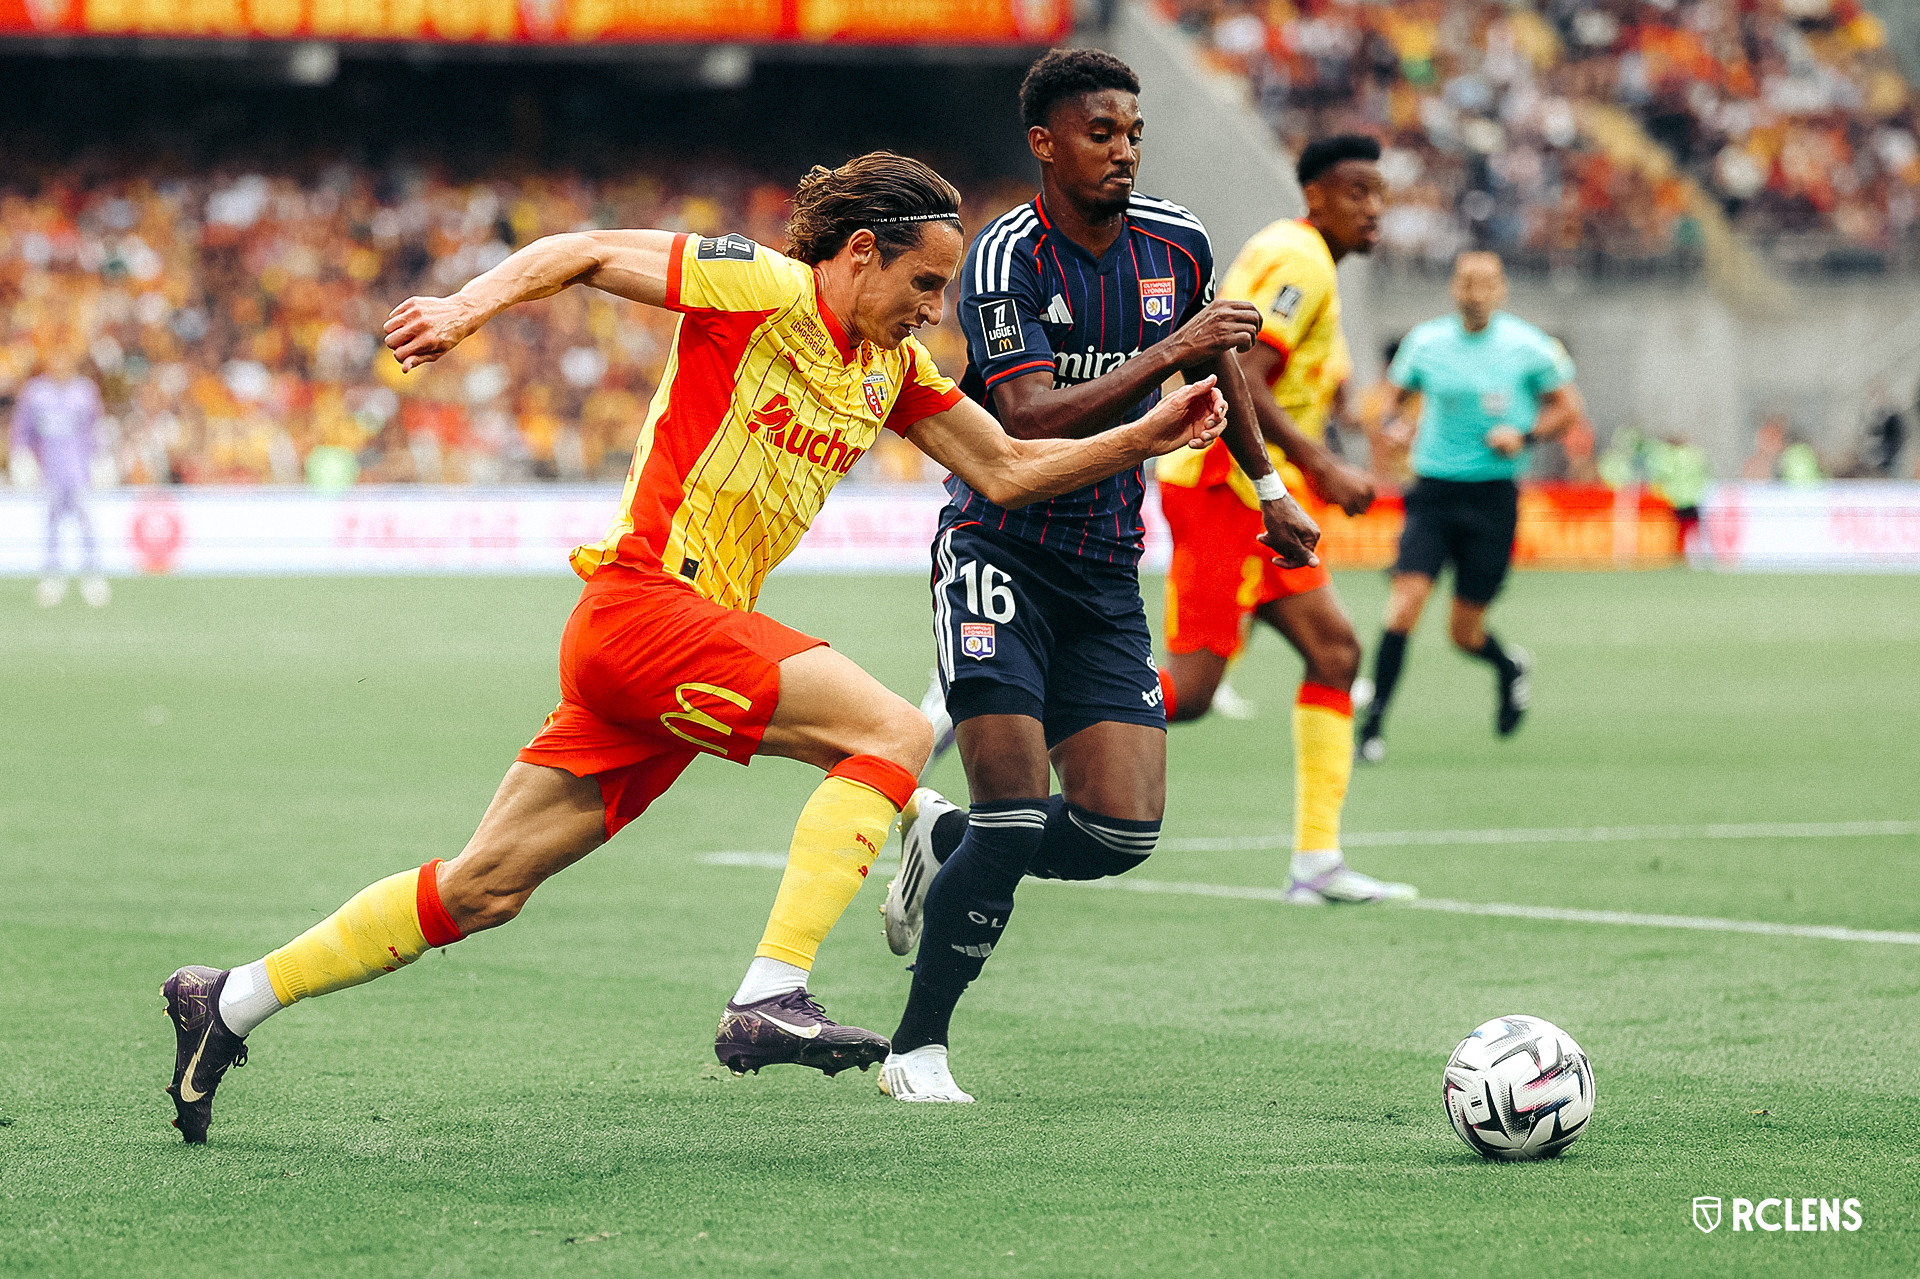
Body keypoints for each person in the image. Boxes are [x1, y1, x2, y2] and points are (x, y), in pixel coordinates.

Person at [159, 151, 1232, 1145]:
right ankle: (775, 986)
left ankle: (232, 996)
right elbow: (580, 250)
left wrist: (1145, 434)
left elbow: (1002, 466)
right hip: (645, 608)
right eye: (922, 283)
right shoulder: (758, 286)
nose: (932, 310)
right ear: (860, 252)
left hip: (675, 651)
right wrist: (463, 308)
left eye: (944, 292)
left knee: (484, 886)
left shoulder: (891, 370)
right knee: (893, 728)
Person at [876, 49, 1323, 1105]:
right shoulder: (1003, 261)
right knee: (1020, 809)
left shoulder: (1178, 241)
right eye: (1098, 133)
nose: (1121, 151)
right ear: (1043, 142)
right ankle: (916, 1047)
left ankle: (944, 837)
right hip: (997, 549)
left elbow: (1217, 363)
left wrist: (1269, 489)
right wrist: (1171, 355)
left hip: (1105, 569)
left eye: (1131, 133)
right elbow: (1024, 418)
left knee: (1122, 831)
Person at [1153, 134, 1417, 908]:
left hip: (1257, 497)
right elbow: (1244, 376)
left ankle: (1316, 863)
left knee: (1336, 652)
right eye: (1357, 192)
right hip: (1224, 487)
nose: (1374, 209)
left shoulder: (1304, 260)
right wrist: (1321, 464)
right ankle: (1010, 697)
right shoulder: (1300, 261)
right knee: (1193, 691)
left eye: (1380, 193)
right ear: (1317, 196)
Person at [1356, 251, 1581, 762]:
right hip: (1433, 492)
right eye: (1465, 283)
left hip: (1493, 498)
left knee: (1464, 633)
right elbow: (1387, 403)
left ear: (1501, 291)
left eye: (1484, 284)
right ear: (1453, 289)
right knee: (1404, 606)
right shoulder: (1425, 343)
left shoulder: (1530, 347)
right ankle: (1373, 727)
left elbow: (1569, 410)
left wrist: (1524, 434)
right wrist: (1391, 430)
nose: (1474, 292)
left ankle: (1507, 668)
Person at [11, 346, 110, 608]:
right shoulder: (36, 393)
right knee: (51, 524)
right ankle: (53, 576)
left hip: (79, 471)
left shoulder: (85, 392)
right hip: (48, 472)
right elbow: (22, 431)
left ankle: (92, 574)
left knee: (86, 521)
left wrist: (100, 458)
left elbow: (94, 429)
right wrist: (21, 457)